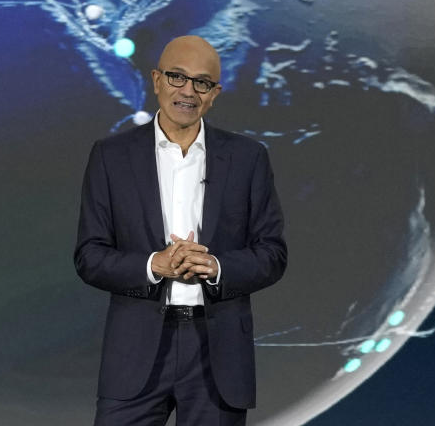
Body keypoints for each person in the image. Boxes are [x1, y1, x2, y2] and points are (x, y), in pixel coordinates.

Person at [74, 35, 288, 425]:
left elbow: (272, 254)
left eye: (201, 83)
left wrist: (216, 266)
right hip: (136, 349)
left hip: (217, 351)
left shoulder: (248, 158)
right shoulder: (111, 157)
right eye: (177, 77)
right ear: (157, 80)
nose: (188, 91)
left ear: (214, 93)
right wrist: (155, 264)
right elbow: (90, 256)